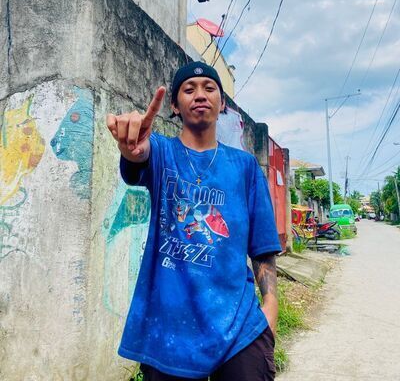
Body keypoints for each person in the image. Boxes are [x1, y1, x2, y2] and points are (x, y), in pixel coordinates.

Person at [106, 61, 282, 380]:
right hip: (169, 332)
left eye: (209, 88)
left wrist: (270, 307)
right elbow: (138, 159)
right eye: (189, 89)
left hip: (240, 330)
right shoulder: (161, 152)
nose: (200, 94)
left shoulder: (244, 167)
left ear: (222, 103)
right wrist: (132, 150)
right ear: (175, 105)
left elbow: (263, 248)